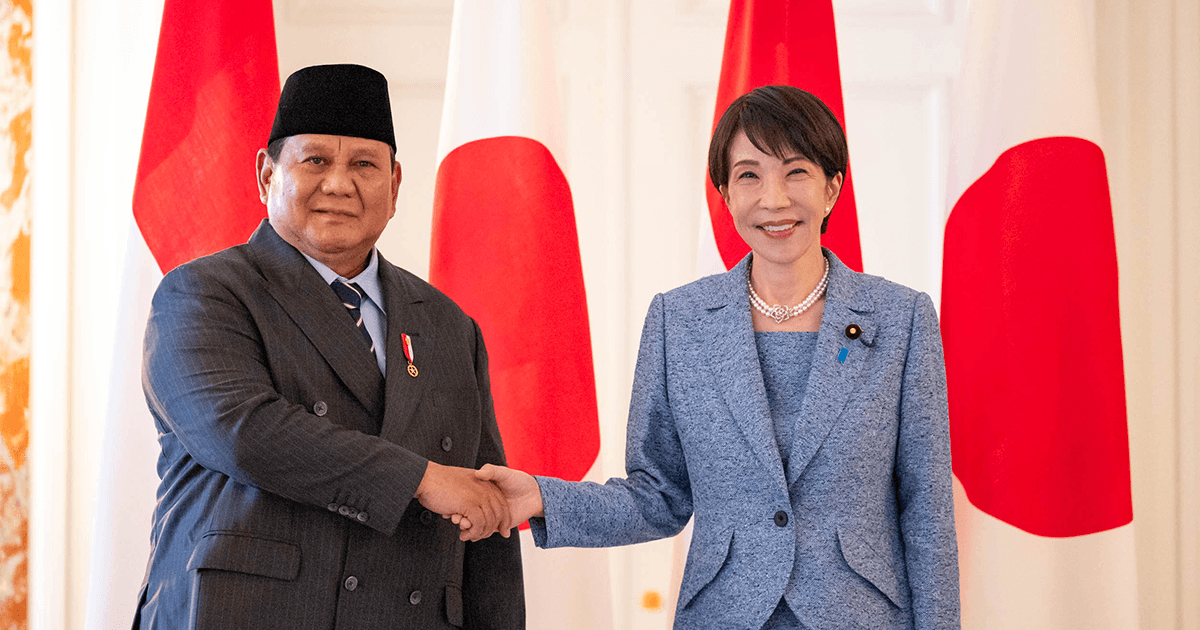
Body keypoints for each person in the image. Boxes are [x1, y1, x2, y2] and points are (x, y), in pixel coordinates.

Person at [463, 85, 960, 629]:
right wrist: (540, 498)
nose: (774, 198)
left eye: (796, 172)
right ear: (725, 193)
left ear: (832, 188)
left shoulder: (901, 318)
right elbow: (657, 497)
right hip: (723, 616)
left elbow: (927, 510)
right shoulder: (678, 321)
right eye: (749, 175)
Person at [133, 64, 524, 630]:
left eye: (364, 164)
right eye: (315, 160)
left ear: (394, 187)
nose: (339, 184)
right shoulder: (204, 293)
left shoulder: (448, 324)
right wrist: (422, 479)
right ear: (267, 174)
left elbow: (484, 515)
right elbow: (245, 434)